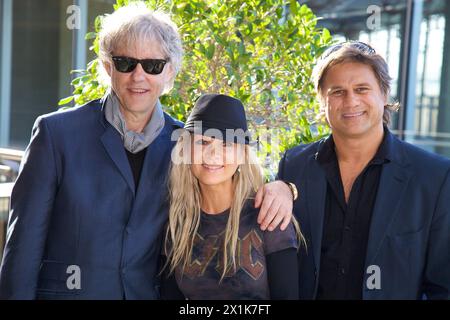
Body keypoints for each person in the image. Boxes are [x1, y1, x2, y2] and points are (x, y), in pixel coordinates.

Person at [0, 3, 295, 300]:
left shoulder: (185, 144)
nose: (138, 76)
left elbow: (233, 172)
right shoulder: (56, 134)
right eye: (126, 63)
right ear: (107, 66)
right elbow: (23, 248)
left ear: (169, 73)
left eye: (152, 65)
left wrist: (285, 188)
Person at [278, 41, 450, 299]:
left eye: (362, 89)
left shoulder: (434, 177)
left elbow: (443, 287)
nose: (351, 101)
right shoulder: (294, 166)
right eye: (337, 91)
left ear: (383, 94)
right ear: (322, 101)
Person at [160, 94, 303, 300]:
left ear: (242, 154)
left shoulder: (268, 214)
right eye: (203, 142)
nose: (213, 153)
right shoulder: (176, 223)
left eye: (226, 144)